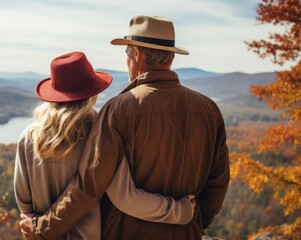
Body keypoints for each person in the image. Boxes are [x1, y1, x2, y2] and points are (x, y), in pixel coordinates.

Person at [20, 15, 230, 240]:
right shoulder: (209, 110)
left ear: (137, 54)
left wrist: (42, 228)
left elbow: (89, 187)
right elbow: (218, 182)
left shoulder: (118, 110)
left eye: (127, 54)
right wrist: (196, 223)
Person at [14, 51, 196, 240]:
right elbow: (126, 197)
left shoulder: (28, 138)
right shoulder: (101, 134)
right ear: (92, 94)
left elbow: (25, 206)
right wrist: (180, 210)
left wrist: (37, 228)